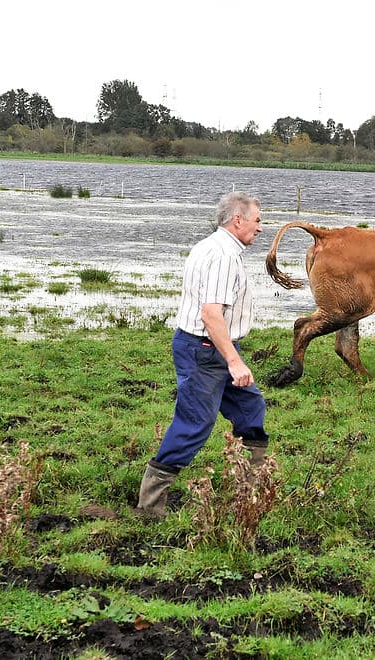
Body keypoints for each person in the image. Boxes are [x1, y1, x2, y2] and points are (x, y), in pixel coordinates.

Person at [135, 191, 269, 520]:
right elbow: (211, 315)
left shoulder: (211, 246)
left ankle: (249, 488)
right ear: (238, 220)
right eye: (258, 220)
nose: (261, 228)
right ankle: (150, 507)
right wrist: (234, 361)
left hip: (213, 348)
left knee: (250, 406)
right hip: (206, 351)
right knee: (195, 423)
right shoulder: (222, 255)